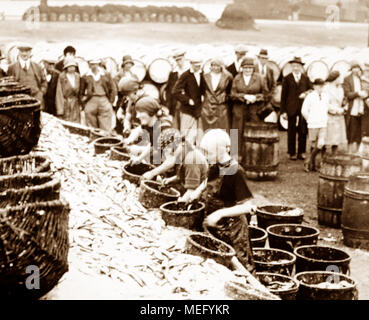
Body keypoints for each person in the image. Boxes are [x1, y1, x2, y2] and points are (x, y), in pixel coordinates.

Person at [200, 129, 256, 273]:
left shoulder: (236, 171)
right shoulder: (214, 166)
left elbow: (249, 207)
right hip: (216, 227)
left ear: (221, 151)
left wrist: (220, 213)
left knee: (240, 268)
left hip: (234, 229)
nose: (205, 157)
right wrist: (196, 192)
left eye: (209, 153)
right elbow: (208, 183)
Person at [142, 128, 208, 202]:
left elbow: (192, 190)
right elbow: (185, 174)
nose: (165, 155)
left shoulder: (191, 161)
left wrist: (180, 201)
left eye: (165, 151)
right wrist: (172, 179)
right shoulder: (184, 150)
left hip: (200, 196)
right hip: (191, 186)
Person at [230, 57, 267, 160]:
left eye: (250, 68)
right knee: (236, 132)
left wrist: (256, 98)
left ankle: (253, 156)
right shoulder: (237, 78)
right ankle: (235, 156)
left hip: (254, 110)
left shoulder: (259, 78)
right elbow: (232, 95)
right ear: (242, 68)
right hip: (239, 110)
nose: (247, 70)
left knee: (253, 133)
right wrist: (244, 96)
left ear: (253, 68)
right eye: (245, 68)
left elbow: (265, 94)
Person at [124, 96, 172, 165]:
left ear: (150, 112)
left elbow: (169, 159)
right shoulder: (149, 123)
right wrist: (129, 140)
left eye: (140, 113)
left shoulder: (164, 128)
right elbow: (152, 144)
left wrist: (140, 151)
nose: (137, 116)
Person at [280, 56, 312, 160]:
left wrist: (306, 93)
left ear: (301, 67)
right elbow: (283, 96)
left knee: (303, 130)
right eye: (294, 66)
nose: (296, 68)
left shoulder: (305, 78)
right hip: (291, 108)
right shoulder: (287, 78)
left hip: (303, 108)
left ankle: (301, 152)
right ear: (291, 67)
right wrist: (283, 111)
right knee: (291, 131)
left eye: (297, 66)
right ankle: (292, 152)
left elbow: (311, 90)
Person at [172, 53, 204, 146]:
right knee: (186, 135)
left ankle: (197, 157)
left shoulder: (202, 74)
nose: (198, 67)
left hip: (199, 110)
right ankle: (183, 156)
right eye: (196, 66)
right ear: (191, 64)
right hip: (187, 110)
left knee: (198, 135)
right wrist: (187, 100)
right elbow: (175, 91)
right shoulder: (185, 75)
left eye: (199, 65)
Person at [7, 43, 47, 109]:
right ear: (19, 52)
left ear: (30, 52)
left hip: (36, 99)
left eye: (27, 51)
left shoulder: (37, 67)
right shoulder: (12, 67)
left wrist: (41, 93)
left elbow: (44, 82)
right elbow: (8, 85)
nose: (24, 54)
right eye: (22, 51)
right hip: (19, 101)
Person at [301, 78, 328, 172]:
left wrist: (338, 110)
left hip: (323, 123)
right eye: (319, 86)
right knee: (313, 144)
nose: (321, 88)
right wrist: (310, 119)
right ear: (314, 86)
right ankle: (311, 164)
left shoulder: (325, 96)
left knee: (321, 144)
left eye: (322, 86)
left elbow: (327, 107)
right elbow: (304, 110)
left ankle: (312, 162)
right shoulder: (310, 96)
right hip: (313, 124)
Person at [83, 59, 117, 132]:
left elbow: (112, 88)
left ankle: (105, 139)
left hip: (104, 98)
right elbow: (81, 91)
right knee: (89, 116)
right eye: (92, 64)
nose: (94, 66)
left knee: (105, 122)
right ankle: (93, 137)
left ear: (99, 64)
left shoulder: (105, 74)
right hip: (91, 100)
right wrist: (84, 103)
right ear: (88, 65)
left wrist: (110, 102)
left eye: (96, 64)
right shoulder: (85, 76)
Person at [201, 58, 233, 132]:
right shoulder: (205, 76)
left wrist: (224, 98)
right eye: (213, 65)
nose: (215, 68)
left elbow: (230, 91)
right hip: (208, 107)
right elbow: (202, 90)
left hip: (221, 106)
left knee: (223, 129)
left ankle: (227, 143)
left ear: (221, 66)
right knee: (208, 130)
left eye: (217, 66)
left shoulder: (228, 76)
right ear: (210, 66)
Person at [342, 61, 367, 154]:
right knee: (351, 129)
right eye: (354, 68)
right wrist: (357, 93)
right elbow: (347, 94)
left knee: (359, 130)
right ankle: (349, 150)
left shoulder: (361, 79)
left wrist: (365, 94)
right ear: (351, 69)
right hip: (352, 107)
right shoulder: (347, 79)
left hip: (361, 107)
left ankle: (357, 151)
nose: (356, 70)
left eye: (358, 68)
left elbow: (366, 89)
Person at [324, 70, 347, 154]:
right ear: (335, 78)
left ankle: (334, 156)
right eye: (339, 78)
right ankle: (323, 158)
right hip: (329, 116)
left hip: (339, 116)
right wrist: (337, 110)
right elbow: (326, 104)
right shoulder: (326, 88)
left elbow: (341, 101)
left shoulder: (340, 89)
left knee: (336, 139)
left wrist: (344, 106)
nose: (340, 79)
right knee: (326, 138)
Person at [165, 49, 188, 130]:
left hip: (187, 103)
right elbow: (168, 91)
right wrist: (168, 107)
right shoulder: (173, 74)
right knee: (176, 126)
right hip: (176, 104)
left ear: (184, 59)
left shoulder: (189, 72)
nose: (179, 62)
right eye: (177, 60)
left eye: (180, 60)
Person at [55, 57, 82, 123]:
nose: (72, 68)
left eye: (73, 66)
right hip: (66, 104)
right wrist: (60, 109)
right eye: (70, 66)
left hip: (75, 104)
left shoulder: (77, 76)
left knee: (76, 122)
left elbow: (80, 91)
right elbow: (59, 93)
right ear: (66, 67)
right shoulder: (62, 77)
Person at [360, 62, 369, 139]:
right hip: (365, 105)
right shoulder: (361, 80)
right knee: (365, 125)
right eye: (367, 70)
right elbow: (363, 93)